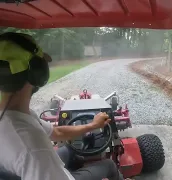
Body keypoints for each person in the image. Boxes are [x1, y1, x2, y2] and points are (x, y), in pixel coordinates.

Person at [0, 32, 128, 180]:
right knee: (109, 165)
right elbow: (37, 153)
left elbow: (57, 132)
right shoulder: (33, 148)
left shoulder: (17, 115)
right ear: (37, 73)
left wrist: (92, 126)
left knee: (69, 149)